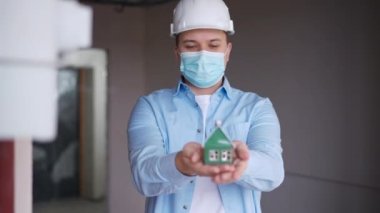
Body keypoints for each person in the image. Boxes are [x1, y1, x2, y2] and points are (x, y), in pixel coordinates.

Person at [127, 0, 284, 212]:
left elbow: (273, 172)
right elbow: (143, 175)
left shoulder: (257, 107)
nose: (202, 54)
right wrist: (182, 164)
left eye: (213, 45)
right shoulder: (150, 108)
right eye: (191, 46)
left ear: (227, 51)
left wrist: (244, 163)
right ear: (177, 53)